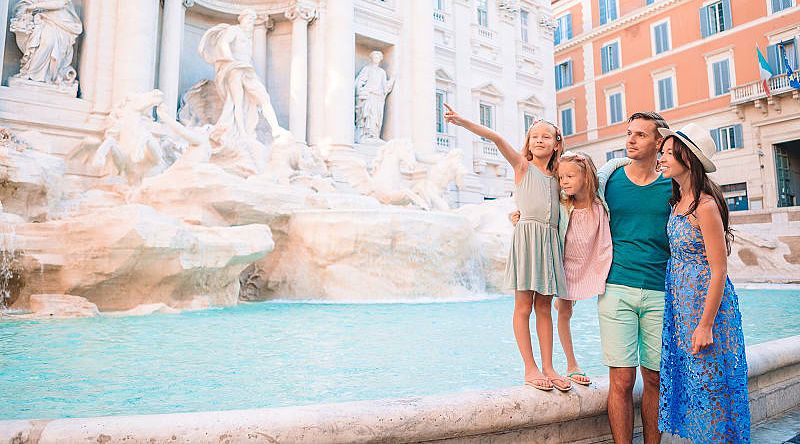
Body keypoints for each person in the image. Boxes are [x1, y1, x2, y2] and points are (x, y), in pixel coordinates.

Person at [444, 103, 569, 391]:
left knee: (545, 306)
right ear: (528, 142)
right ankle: (530, 367)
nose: (539, 140)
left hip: (549, 241)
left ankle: (550, 366)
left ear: (556, 143)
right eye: (534, 135)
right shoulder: (522, 166)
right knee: (524, 305)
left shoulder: (560, 176)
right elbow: (497, 138)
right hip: (527, 238)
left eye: (546, 136)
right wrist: (462, 121)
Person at [657, 123, 750, 443]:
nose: (662, 158)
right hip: (681, 308)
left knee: (711, 388)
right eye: (662, 153)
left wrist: (706, 324)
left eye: (669, 153)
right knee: (694, 386)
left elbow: (719, 270)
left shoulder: (705, 205)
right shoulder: (678, 201)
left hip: (706, 311)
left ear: (689, 158)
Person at [599, 112, 672, 444]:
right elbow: (571, 203)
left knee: (655, 378)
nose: (630, 139)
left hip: (660, 290)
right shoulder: (609, 181)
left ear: (659, 142)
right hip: (615, 287)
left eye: (640, 135)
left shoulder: (673, 183)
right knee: (622, 380)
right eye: (629, 133)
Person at [199, 9, 288, 146]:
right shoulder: (234, 30)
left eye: (253, 20)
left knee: (263, 97)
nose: (251, 23)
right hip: (235, 69)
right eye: (249, 20)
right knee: (237, 102)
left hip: (247, 70)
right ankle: (241, 133)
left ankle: (275, 129)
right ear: (242, 19)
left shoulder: (247, 38)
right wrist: (230, 61)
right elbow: (223, 44)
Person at [11, 0, 82, 85]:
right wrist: (24, 12)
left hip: (60, 23)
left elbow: (60, 3)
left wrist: (34, 7)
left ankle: (46, 75)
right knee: (44, 39)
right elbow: (23, 6)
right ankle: (30, 72)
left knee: (49, 42)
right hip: (42, 19)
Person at [354, 50, 394, 143]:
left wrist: (392, 80)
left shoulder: (382, 72)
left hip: (378, 97)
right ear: (371, 58)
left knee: (376, 118)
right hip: (369, 95)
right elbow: (360, 81)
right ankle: (365, 135)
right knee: (367, 115)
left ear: (380, 59)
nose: (376, 59)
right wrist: (361, 90)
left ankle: (374, 136)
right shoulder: (367, 69)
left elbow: (385, 87)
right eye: (375, 57)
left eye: (378, 58)